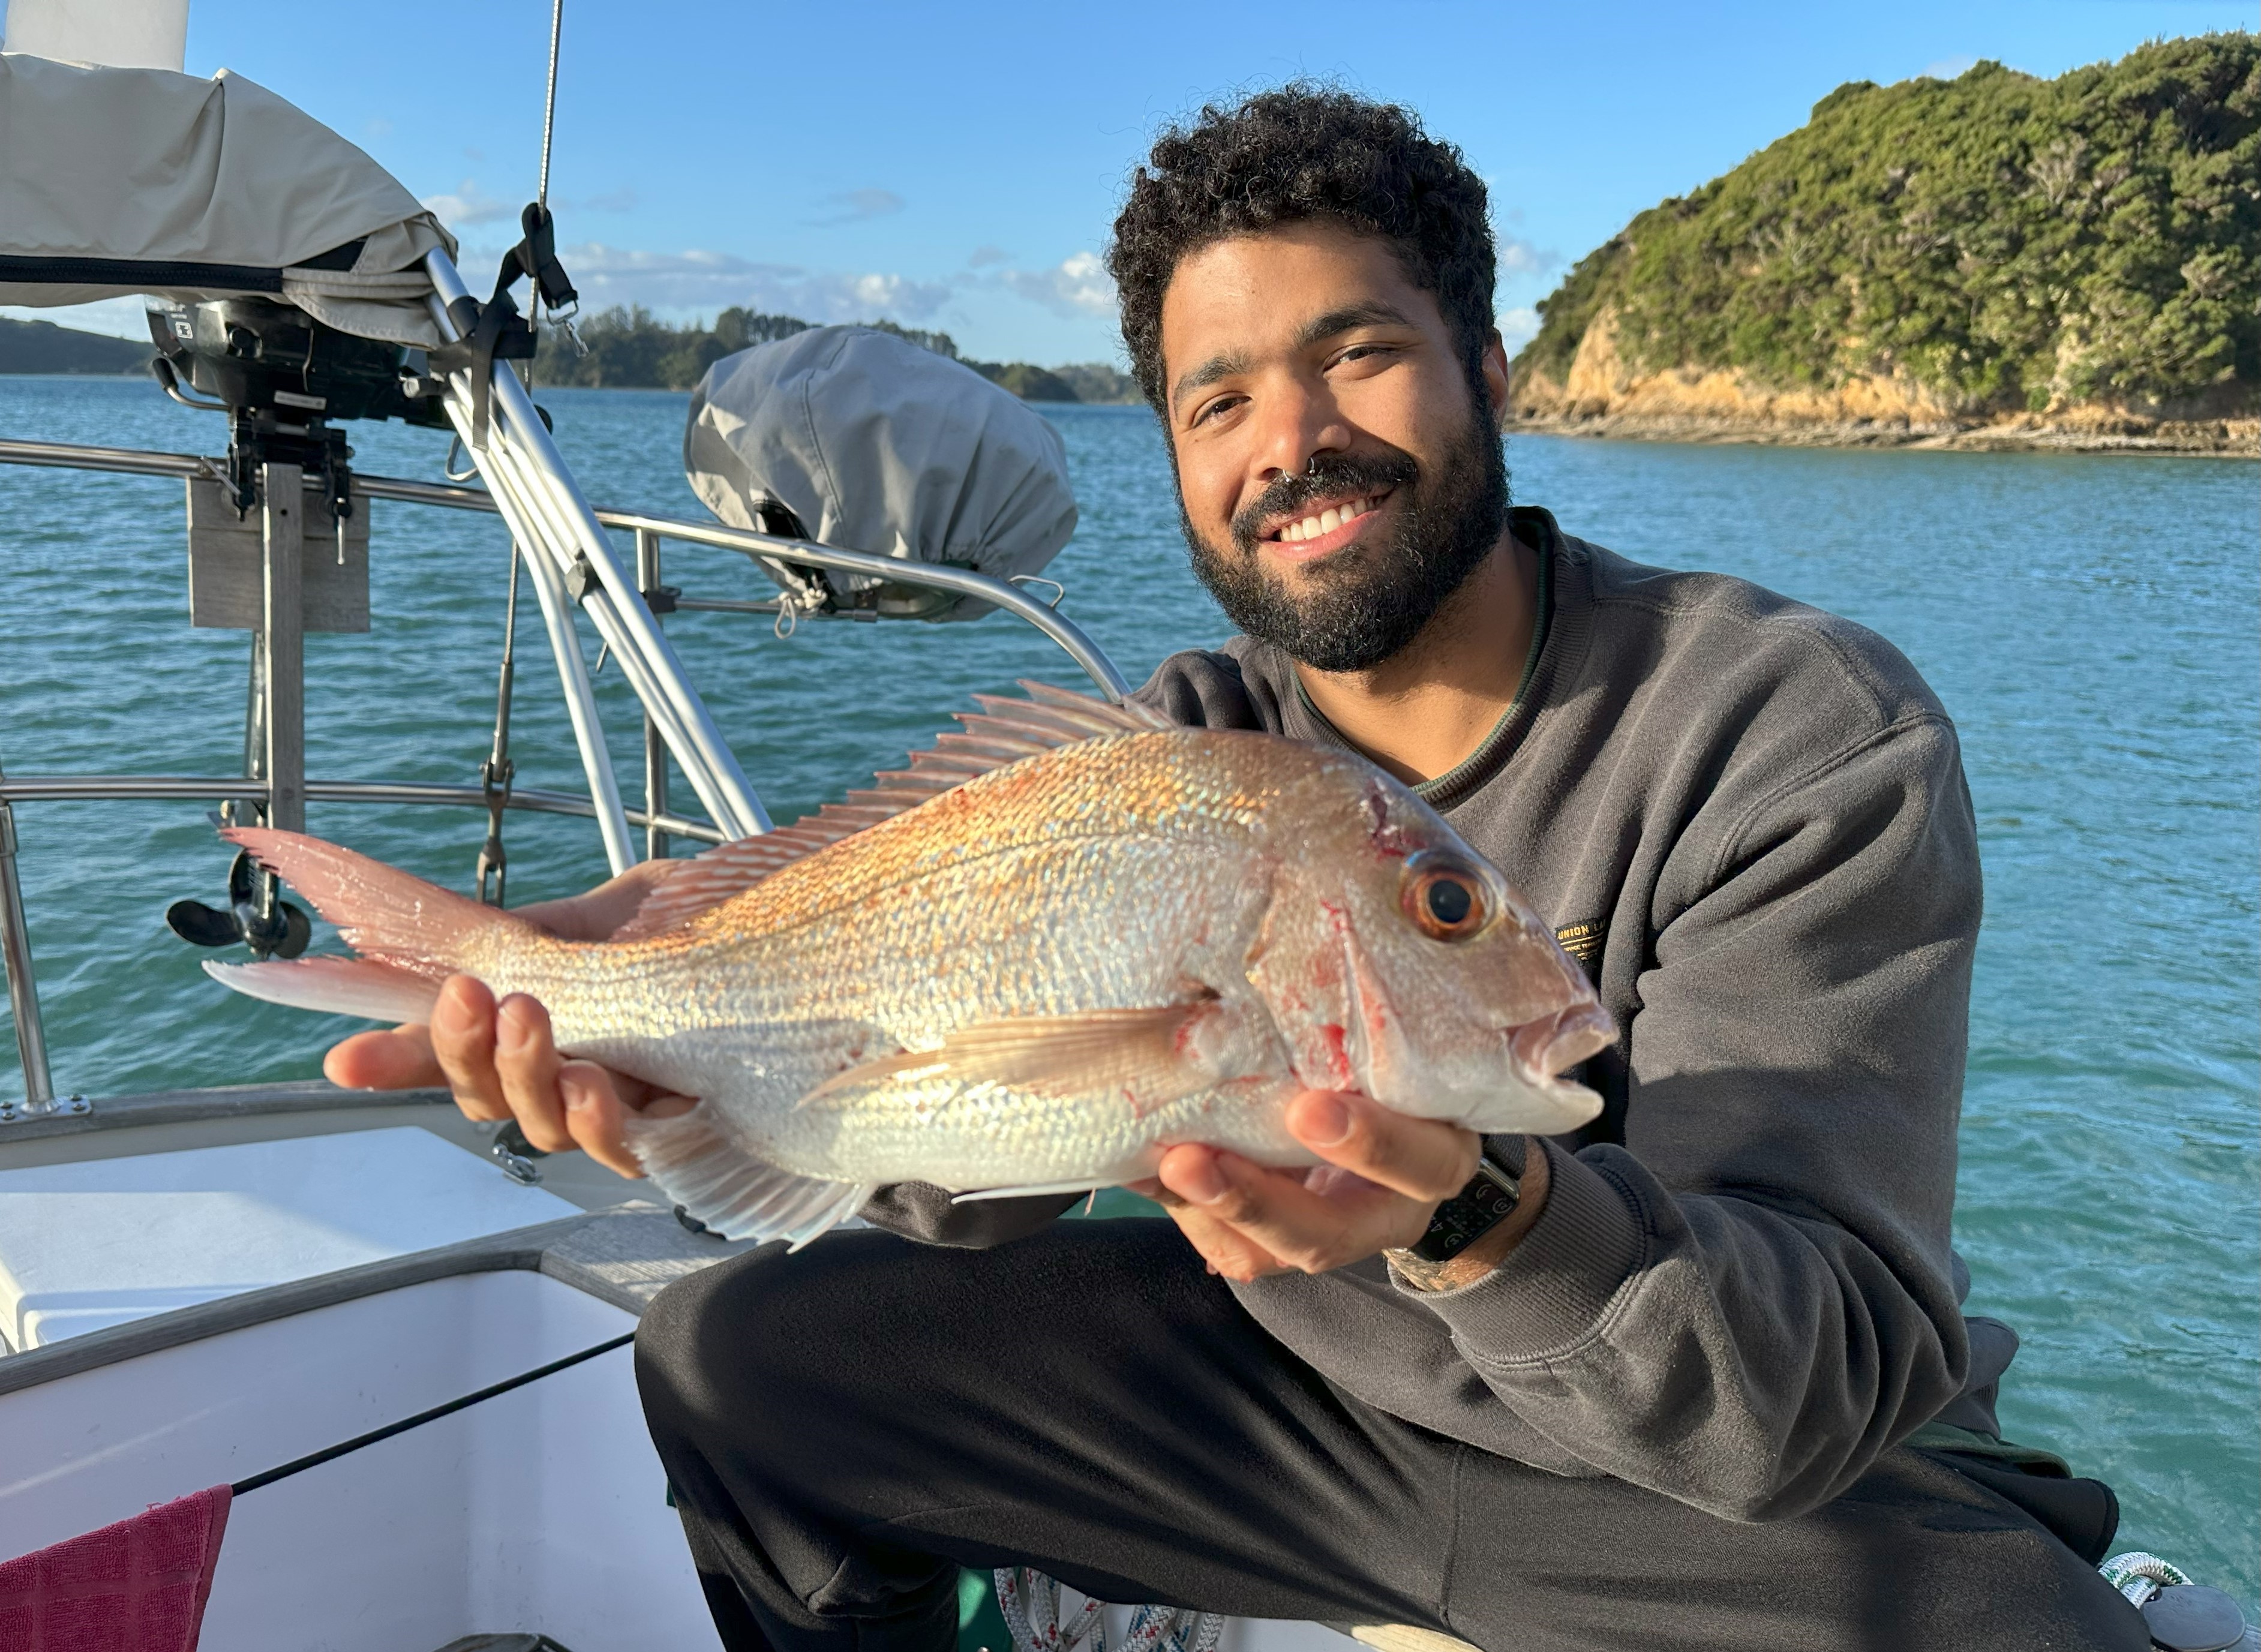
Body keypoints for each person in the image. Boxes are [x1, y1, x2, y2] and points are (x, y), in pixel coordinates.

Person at [326, 87, 2149, 1652]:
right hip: (1305, 1406)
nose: (1289, 442)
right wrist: (666, 1040)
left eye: (1355, 352)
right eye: (1215, 402)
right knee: (743, 1364)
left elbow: (1796, 1398)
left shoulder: (1783, 727)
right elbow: (957, 1169)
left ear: (1486, 369)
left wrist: (1474, 1215)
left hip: (1703, 1484)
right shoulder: (1181, 743)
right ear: (1180, 459)